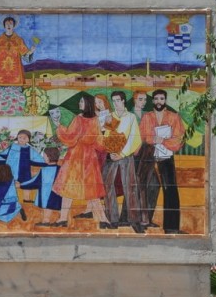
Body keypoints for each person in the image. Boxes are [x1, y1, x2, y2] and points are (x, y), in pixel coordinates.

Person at [51, 94, 110, 228]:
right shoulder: (96, 120)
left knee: (69, 187)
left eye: (81, 102)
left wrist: (58, 126)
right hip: (89, 156)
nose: (79, 104)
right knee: (91, 189)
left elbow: (69, 136)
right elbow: (99, 142)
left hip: (76, 156)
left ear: (88, 104)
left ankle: (63, 219)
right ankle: (103, 220)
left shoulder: (79, 119)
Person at [137, 90, 186, 233]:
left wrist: (164, 141)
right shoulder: (147, 117)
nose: (159, 101)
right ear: (153, 101)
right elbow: (142, 135)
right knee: (145, 187)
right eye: (156, 99)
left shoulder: (174, 117)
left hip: (166, 157)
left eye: (162, 98)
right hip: (149, 156)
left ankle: (172, 227)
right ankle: (143, 221)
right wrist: (153, 139)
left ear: (165, 100)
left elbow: (179, 139)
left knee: (170, 189)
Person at [101, 91, 144, 233]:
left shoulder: (130, 117)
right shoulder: (110, 117)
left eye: (118, 100)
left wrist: (122, 153)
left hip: (125, 156)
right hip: (111, 156)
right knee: (108, 186)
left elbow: (134, 138)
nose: (115, 103)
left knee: (130, 186)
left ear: (124, 101)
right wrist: (111, 151)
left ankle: (134, 220)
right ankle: (112, 219)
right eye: (113, 101)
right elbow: (106, 136)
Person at [0, 16, 36, 86]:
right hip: (1, 76)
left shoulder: (19, 40)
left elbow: (26, 56)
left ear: (13, 26)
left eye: (11, 24)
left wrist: (31, 52)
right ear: (4, 26)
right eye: (7, 24)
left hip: (16, 76)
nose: (8, 25)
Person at [20, 146, 63, 227]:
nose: (43, 158)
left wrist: (21, 185)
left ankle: (46, 221)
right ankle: (54, 221)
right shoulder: (61, 169)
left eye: (44, 156)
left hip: (46, 196)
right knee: (54, 208)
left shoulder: (44, 170)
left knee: (47, 209)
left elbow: (34, 182)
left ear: (48, 157)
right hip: (58, 195)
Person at [0, 129, 44, 203]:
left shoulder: (30, 149)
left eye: (24, 138)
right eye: (20, 137)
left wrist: (45, 163)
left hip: (24, 171)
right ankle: (6, 199)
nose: (22, 139)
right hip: (11, 170)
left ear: (28, 139)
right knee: (9, 184)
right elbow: (3, 154)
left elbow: (38, 158)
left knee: (27, 185)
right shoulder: (12, 147)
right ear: (17, 137)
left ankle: (27, 199)